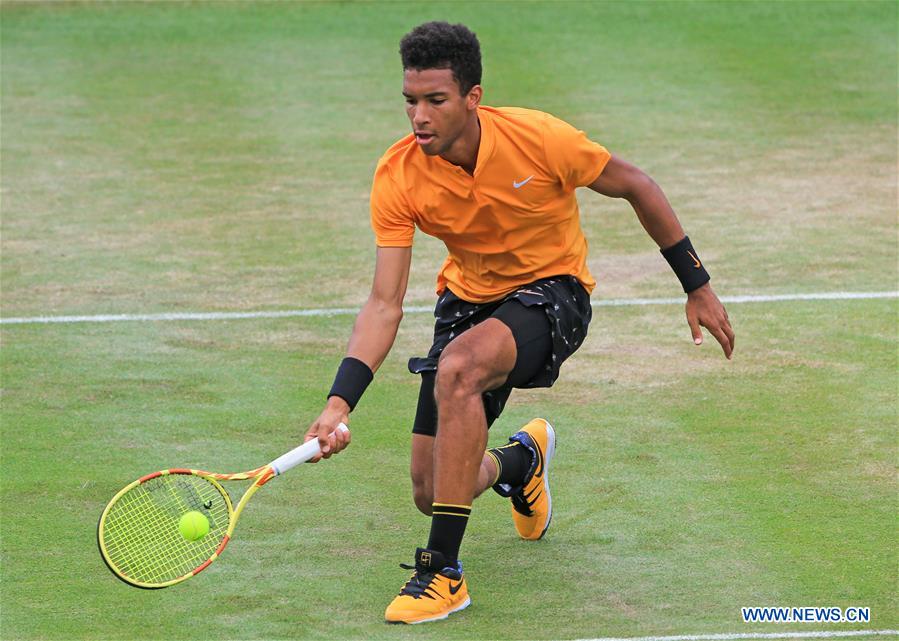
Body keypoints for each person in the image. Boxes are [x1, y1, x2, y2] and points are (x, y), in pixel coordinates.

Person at [303, 21, 735, 624]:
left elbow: (635, 184)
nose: (419, 117)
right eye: (410, 101)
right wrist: (338, 403)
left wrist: (697, 284)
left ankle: (442, 574)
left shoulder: (538, 138)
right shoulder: (399, 174)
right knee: (432, 490)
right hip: (467, 303)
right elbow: (383, 304)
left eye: (435, 100)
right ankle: (520, 462)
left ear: (472, 97)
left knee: (458, 368)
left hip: (554, 291)